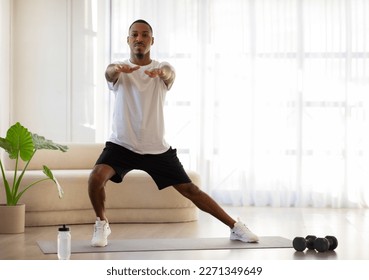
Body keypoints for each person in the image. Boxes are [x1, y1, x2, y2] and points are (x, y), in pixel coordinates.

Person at [88, 19, 259, 247]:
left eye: (145, 35)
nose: (139, 39)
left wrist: (163, 72)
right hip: (122, 145)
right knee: (96, 177)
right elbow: (109, 74)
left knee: (191, 190)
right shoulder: (119, 69)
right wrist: (117, 69)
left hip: (156, 147)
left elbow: (169, 74)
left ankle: (235, 227)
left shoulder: (162, 69)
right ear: (128, 40)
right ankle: (102, 223)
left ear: (152, 40)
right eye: (135, 35)